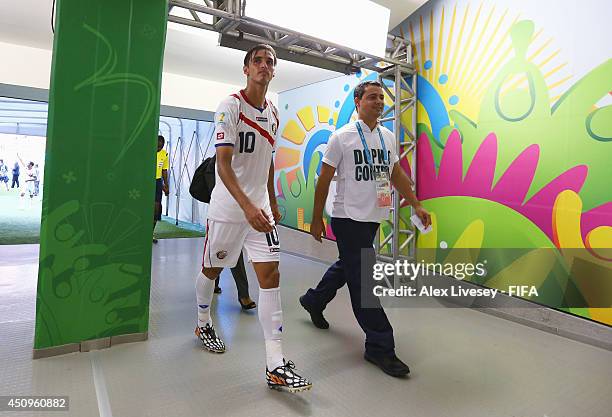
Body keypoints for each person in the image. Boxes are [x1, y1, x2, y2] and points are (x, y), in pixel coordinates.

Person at [194, 44, 311, 392]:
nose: (263, 66)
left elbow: (268, 160)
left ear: (274, 72)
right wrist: (246, 206)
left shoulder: (274, 114)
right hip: (229, 210)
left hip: (259, 211)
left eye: (269, 62)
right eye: (257, 61)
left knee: (271, 275)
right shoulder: (230, 106)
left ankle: (275, 364)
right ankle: (203, 322)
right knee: (212, 270)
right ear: (246, 69)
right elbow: (223, 164)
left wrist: (270, 201)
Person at [299, 80, 432, 378]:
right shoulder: (341, 137)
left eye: (381, 98)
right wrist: (317, 217)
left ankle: (314, 300)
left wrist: (416, 204)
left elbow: (395, 173)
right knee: (364, 282)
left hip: (372, 217)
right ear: (358, 102)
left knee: (348, 266)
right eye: (372, 97)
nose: (379, 102)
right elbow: (324, 179)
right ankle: (380, 346)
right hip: (347, 219)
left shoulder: (387, 137)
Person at [153, 135, 169, 244]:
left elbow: (164, 170)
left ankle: (151, 233)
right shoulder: (147, 150)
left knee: (156, 208)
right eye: (158, 145)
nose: (159, 147)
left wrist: (166, 185)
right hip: (145, 181)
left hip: (157, 182)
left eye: (161, 146)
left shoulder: (164, 154)